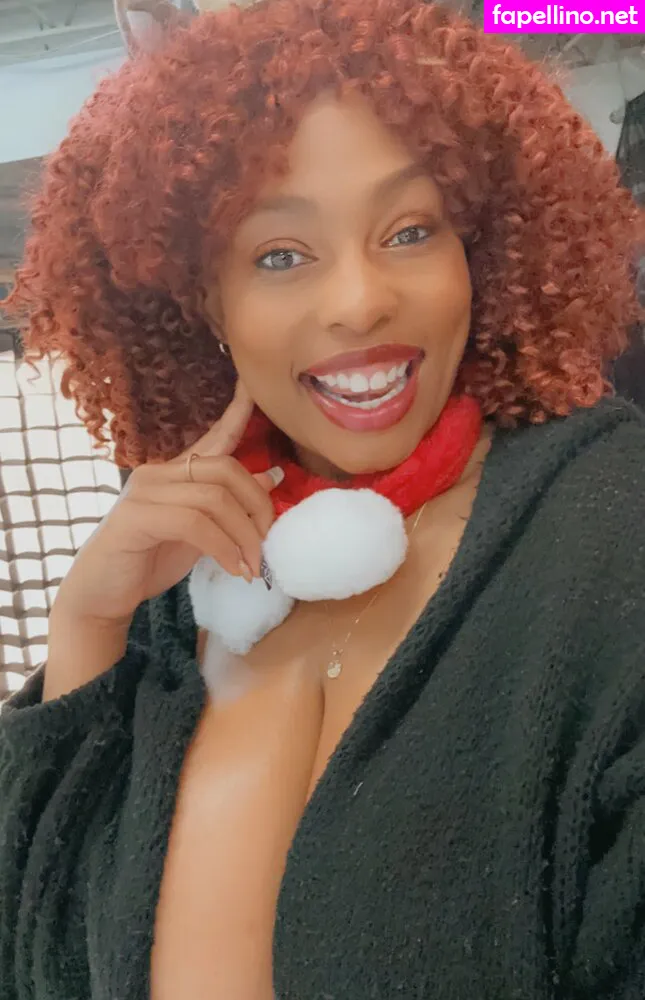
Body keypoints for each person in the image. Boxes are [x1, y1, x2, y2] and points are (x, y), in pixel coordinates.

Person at [1, 0, 645, 997]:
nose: (358, 301)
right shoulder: (178, 581)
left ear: (479, 253)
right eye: (280, 255)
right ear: (205, 303)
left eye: (410, 230)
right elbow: (39, 955)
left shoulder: (610, 543)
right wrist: (87, 627)